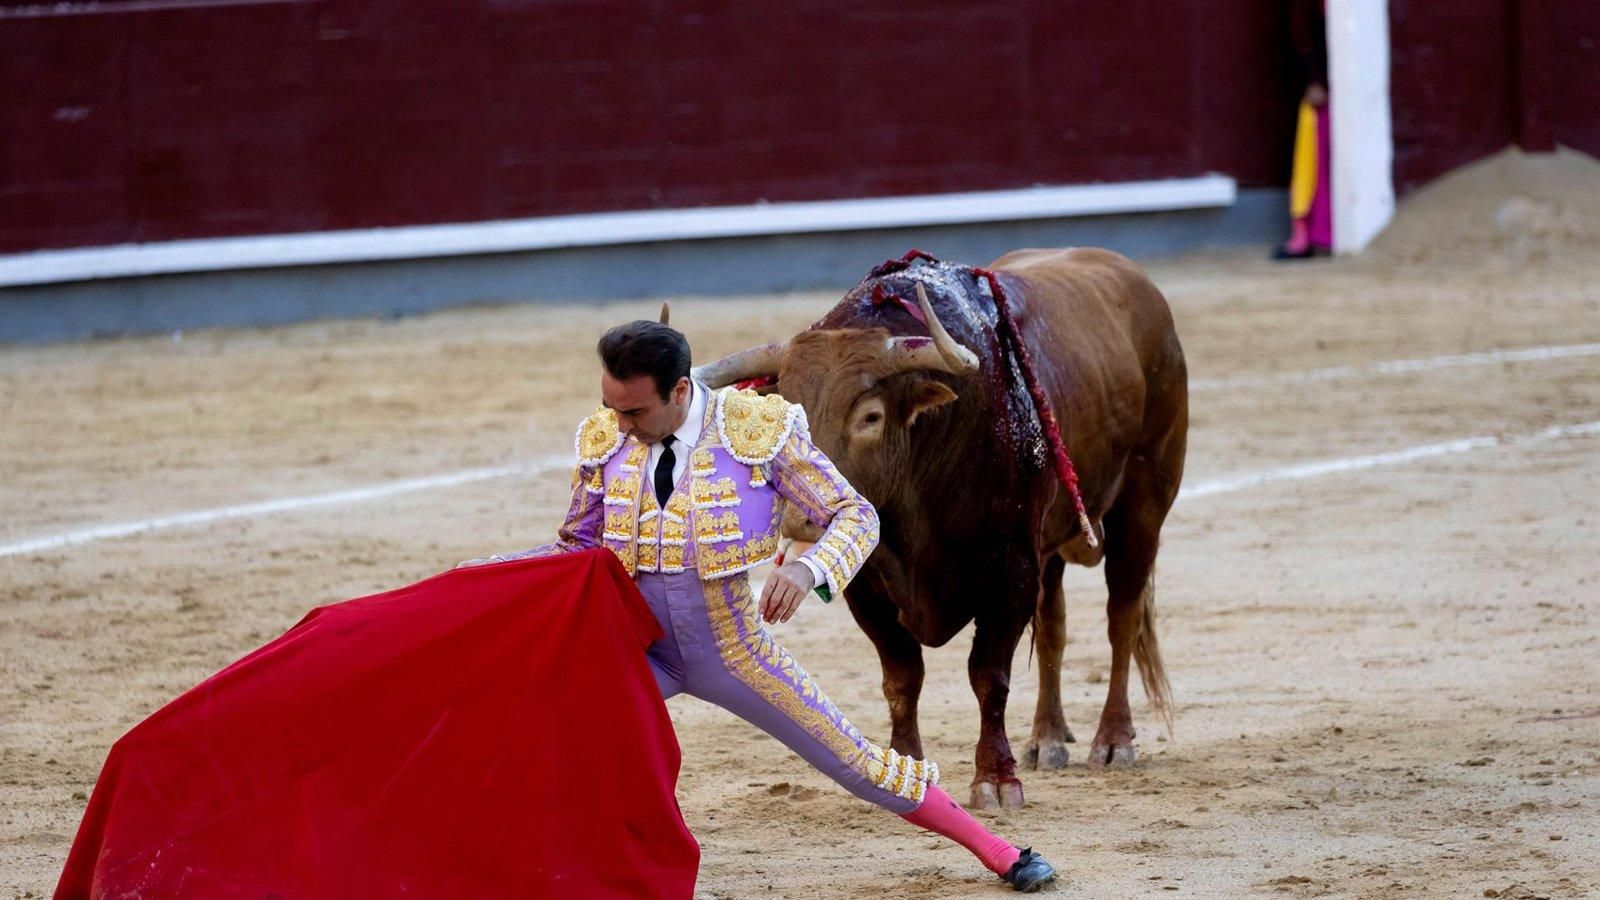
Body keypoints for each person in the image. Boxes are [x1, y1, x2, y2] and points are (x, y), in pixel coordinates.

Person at [464, 319, 1057, 892]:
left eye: (634, 411)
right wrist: (480, 578)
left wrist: (808, 569)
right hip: (633, 648)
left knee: (854, 761)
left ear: (678, 391)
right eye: (613, 406)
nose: (619, 424)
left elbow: (855, 515)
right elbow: (577, 546)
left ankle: (1000, 852)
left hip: (731, 647)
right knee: (535, 732)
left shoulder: (757, 431)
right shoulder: (607, 438)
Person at [1276, 0, 1332, 259]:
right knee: (1310, 159)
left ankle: (1316, 233)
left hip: (1330, 88)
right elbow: (1300, 32)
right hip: (1312, 90)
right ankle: (1305, 233)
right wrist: (1313, 79)